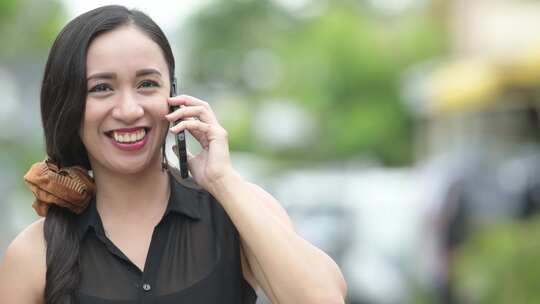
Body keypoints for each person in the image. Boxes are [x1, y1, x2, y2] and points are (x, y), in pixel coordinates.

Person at [0, 5, 347, 304]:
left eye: (147, 84)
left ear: (175, 96)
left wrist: (222, 181)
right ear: (69, 106)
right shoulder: (34, 255)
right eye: (101, 88)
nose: (129, 109)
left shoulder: (236, 212)